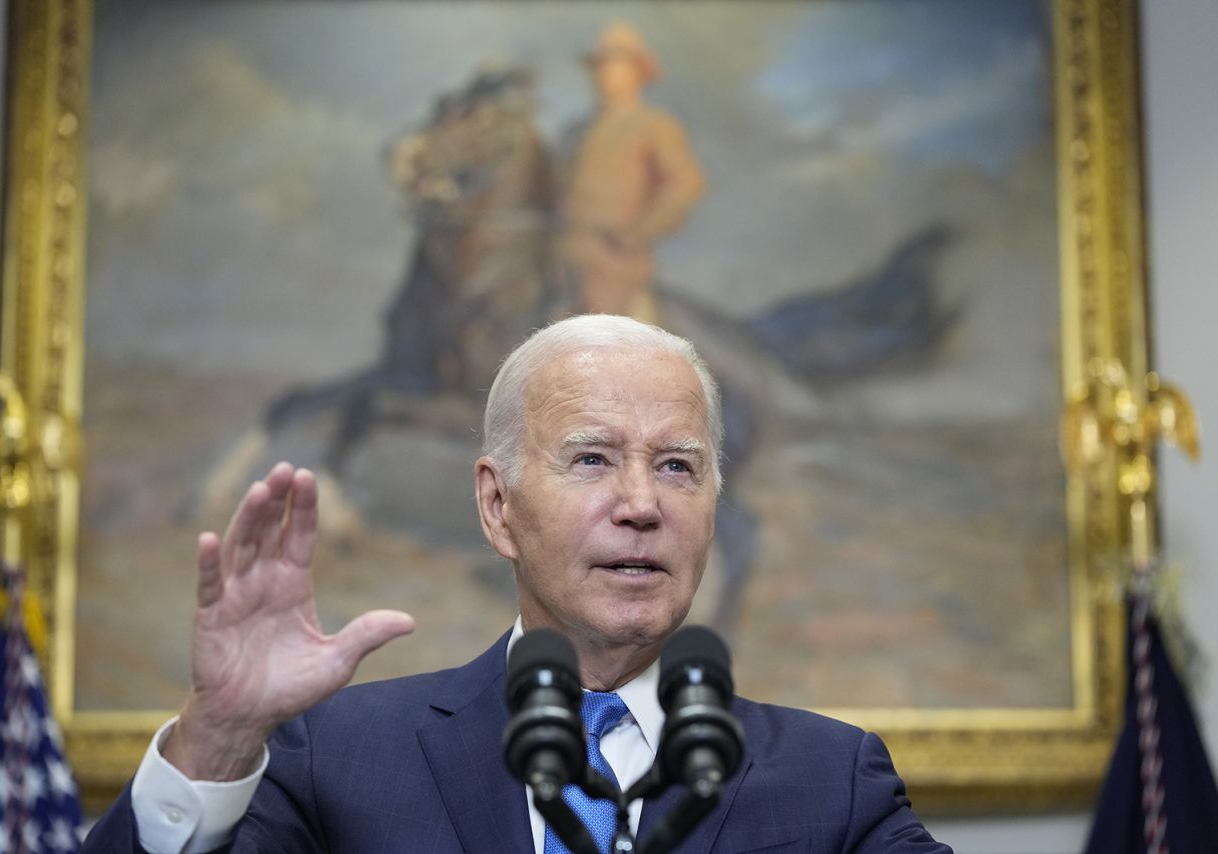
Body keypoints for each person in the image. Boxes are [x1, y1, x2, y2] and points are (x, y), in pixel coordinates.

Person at [82, 314, 949, 852]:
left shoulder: (831, 781)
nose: (642, 504)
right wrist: (219, 740)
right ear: (498, 508)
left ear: (715, 506)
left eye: (679, 467)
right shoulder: (332, 762)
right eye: (593, 459)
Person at [558, 24, 707, 326]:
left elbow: (686, 184)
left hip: (615, 262)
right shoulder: (575, 132)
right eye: (601, 66)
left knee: (603, 338)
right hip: (560, 260)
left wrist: (638, 233)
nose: (605, 74)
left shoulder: (654, 125)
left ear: (637, 73)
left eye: (615, 65)